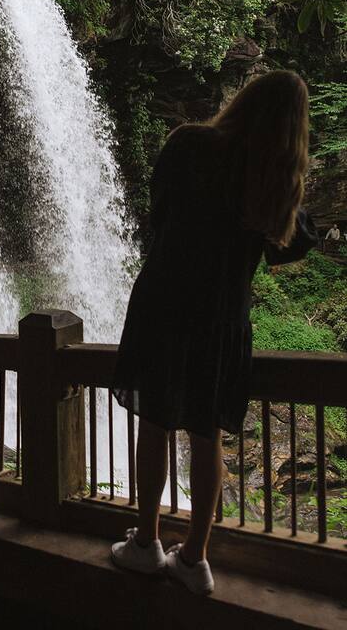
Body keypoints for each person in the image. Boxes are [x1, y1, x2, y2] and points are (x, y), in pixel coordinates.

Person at [111, 71, 317, 595]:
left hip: (164, 303)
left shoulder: (189, 144)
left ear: (245, 100)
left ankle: (146, 543)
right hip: (222, 320)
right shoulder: (272, 181)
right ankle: (195, 558)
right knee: (208, 434)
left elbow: (159, 214)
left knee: (154, 424)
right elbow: (293, 243)